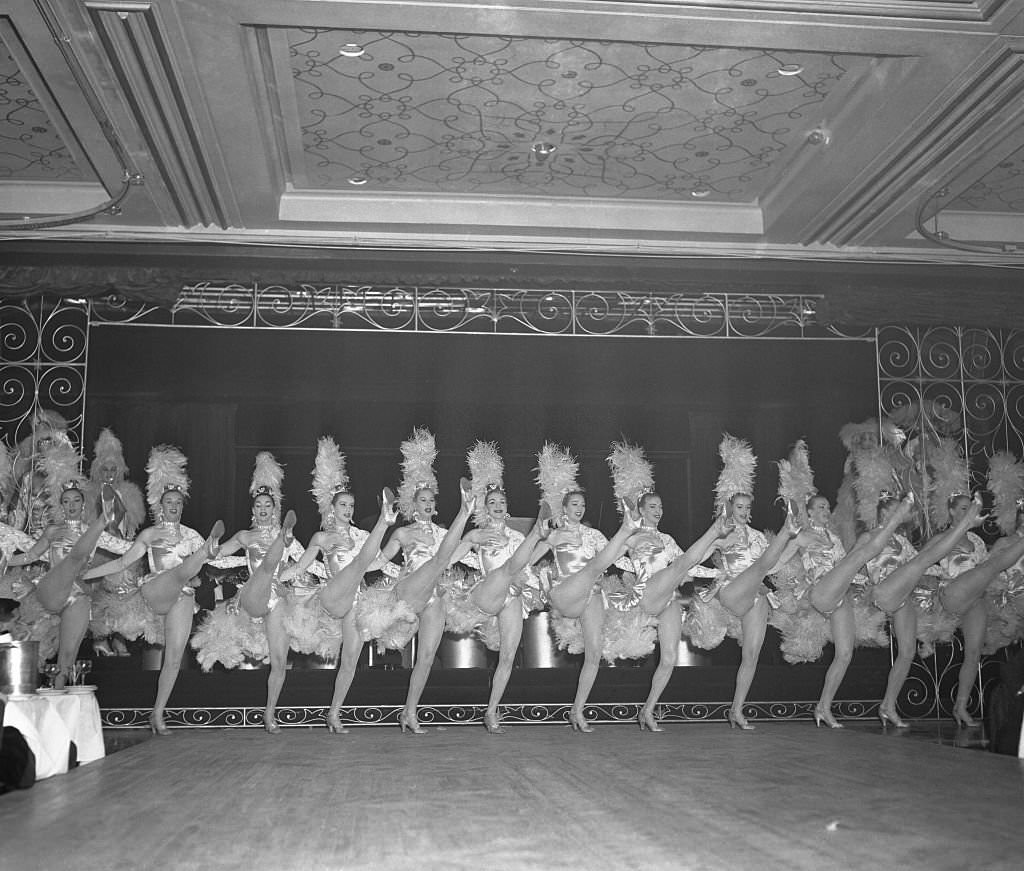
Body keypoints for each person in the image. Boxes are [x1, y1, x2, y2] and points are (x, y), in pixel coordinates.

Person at [82, 446, 226, 735]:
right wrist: (89, 573)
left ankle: (157, 715)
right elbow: (123, 561)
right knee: (180, 572)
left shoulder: (191, 535)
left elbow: (218, 566)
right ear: (161, 506)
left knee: (173, 657)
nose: (173, 506)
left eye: (177, 502)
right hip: (157, 591)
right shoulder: (149, 535)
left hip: (182, 597)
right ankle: (203, 554)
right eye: (168, 502)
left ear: (182, 507)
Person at [357, 428, 476, 734]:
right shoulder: (403, 532)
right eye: (421, 499)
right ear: (414, 503)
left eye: (430, 499)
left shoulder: (441, 535)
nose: (426, 503)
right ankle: (467, 511)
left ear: (434, 505)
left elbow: (458, 558)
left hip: (433, 596)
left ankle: (410, 712)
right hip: (409, 591)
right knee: (437, 561)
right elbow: (381, 562)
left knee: (425, 658)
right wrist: (354, 571)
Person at [281, 437, 399, 733]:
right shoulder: (321, 538)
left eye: (351, 505)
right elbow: (302, 566)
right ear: (332, 509)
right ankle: (385, 521)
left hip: (354, 603)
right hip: (332, 597)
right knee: (357, 565)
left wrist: (399, 563)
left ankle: (334, 714)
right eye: (343, 505)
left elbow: (375, 563)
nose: (348, 509)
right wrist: (275, 576)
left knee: (349, 661)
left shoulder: (360, 536)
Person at [447, 443, 552, 733]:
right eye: (492, 502)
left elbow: (526, 566)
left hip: (512, 597)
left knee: (508, 655)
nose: (497, 506)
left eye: (501, 502)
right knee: (506, 571)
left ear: (506, 507)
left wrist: (537, 584)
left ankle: (491, 712)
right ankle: (539, 533)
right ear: (485, 507)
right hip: (486, 593)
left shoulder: (515, 536)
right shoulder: (477, 534)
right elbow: (448, 559)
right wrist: (468, 542)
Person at [864, 492, 982, 728]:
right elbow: (856, 563)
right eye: (900, 509)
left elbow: (921, 564)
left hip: (904, 597)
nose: (905, 514)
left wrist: (934, 578)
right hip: (882, 592)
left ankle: (888, 705)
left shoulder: (904, 542)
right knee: (921, 563)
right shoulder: (870, 536)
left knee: (907, 652)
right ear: (886, 513)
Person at [615, 491, 727, 732]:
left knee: (669, 659)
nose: (658, 510)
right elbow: (613, 559)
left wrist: (716, 574)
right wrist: (632, 569)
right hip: (647, 593)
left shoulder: (667, 539)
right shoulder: (632, 536)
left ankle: (647, 710)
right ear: (642, 510)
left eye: (660, 506)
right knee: (679, 566)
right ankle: (713, 532)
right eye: (652, 506)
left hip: (668, 598)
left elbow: (690, 564)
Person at [5, 469, 127, 688]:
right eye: (66, 501)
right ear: (61, 506)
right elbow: (30, 555)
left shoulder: (90, 533)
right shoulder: (53, 531)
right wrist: (5, 562)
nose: (71, 505)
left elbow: (124, 551)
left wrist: (150, 542)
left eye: (76, 500)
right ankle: (105, 518)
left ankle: (60, 702)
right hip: (51, 591)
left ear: (83, 505)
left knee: (67, 658)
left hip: (77, 596)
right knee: (73, 559)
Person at [215, 453, 306, 733]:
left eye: (268, 504)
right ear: (253, 510)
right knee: (265, 570)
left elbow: (305, 565)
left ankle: (270, 713)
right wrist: (209, 545)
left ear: (274, 508)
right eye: (259, 505)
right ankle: (279, 548)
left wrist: (288, 583)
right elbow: (216, 557)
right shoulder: (244, 536)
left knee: (280, 661)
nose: (263, 508)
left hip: (276, 598)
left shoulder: (291, 540)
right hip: (253, 595)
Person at [934, 494, 1024, 727]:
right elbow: (921, 560)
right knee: (992, 566)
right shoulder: (944, 538)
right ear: (952, 511)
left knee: (973, 653)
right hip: (954, 593)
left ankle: (960, 707)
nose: (968, 513)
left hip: (975, 599)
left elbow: (987, 572)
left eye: (971, 509)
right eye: (964, 509)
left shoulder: (977, 540)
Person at [86, 428, 146, 657]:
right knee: (99, 596)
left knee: (125, 593)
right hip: (98, 550)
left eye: (113, 469)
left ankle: (119, 637)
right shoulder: (90, 493)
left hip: (122, 550)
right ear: (98, 470)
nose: (109, 473)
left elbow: (132, 525)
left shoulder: (129, 492)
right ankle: (100, 638)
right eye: (105, 469)